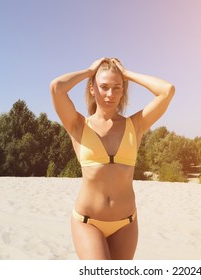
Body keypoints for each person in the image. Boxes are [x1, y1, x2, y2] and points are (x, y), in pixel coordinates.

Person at [50, 57, 175, 260]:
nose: (110, 94)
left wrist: (127, 74)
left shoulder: (136, 125)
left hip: (126, 224)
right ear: (92, 89)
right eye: (104, 87)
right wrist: (89, 71)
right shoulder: (78, 125)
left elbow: (167, 90)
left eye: (117, 88)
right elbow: (57, 88)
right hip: (88, 223)